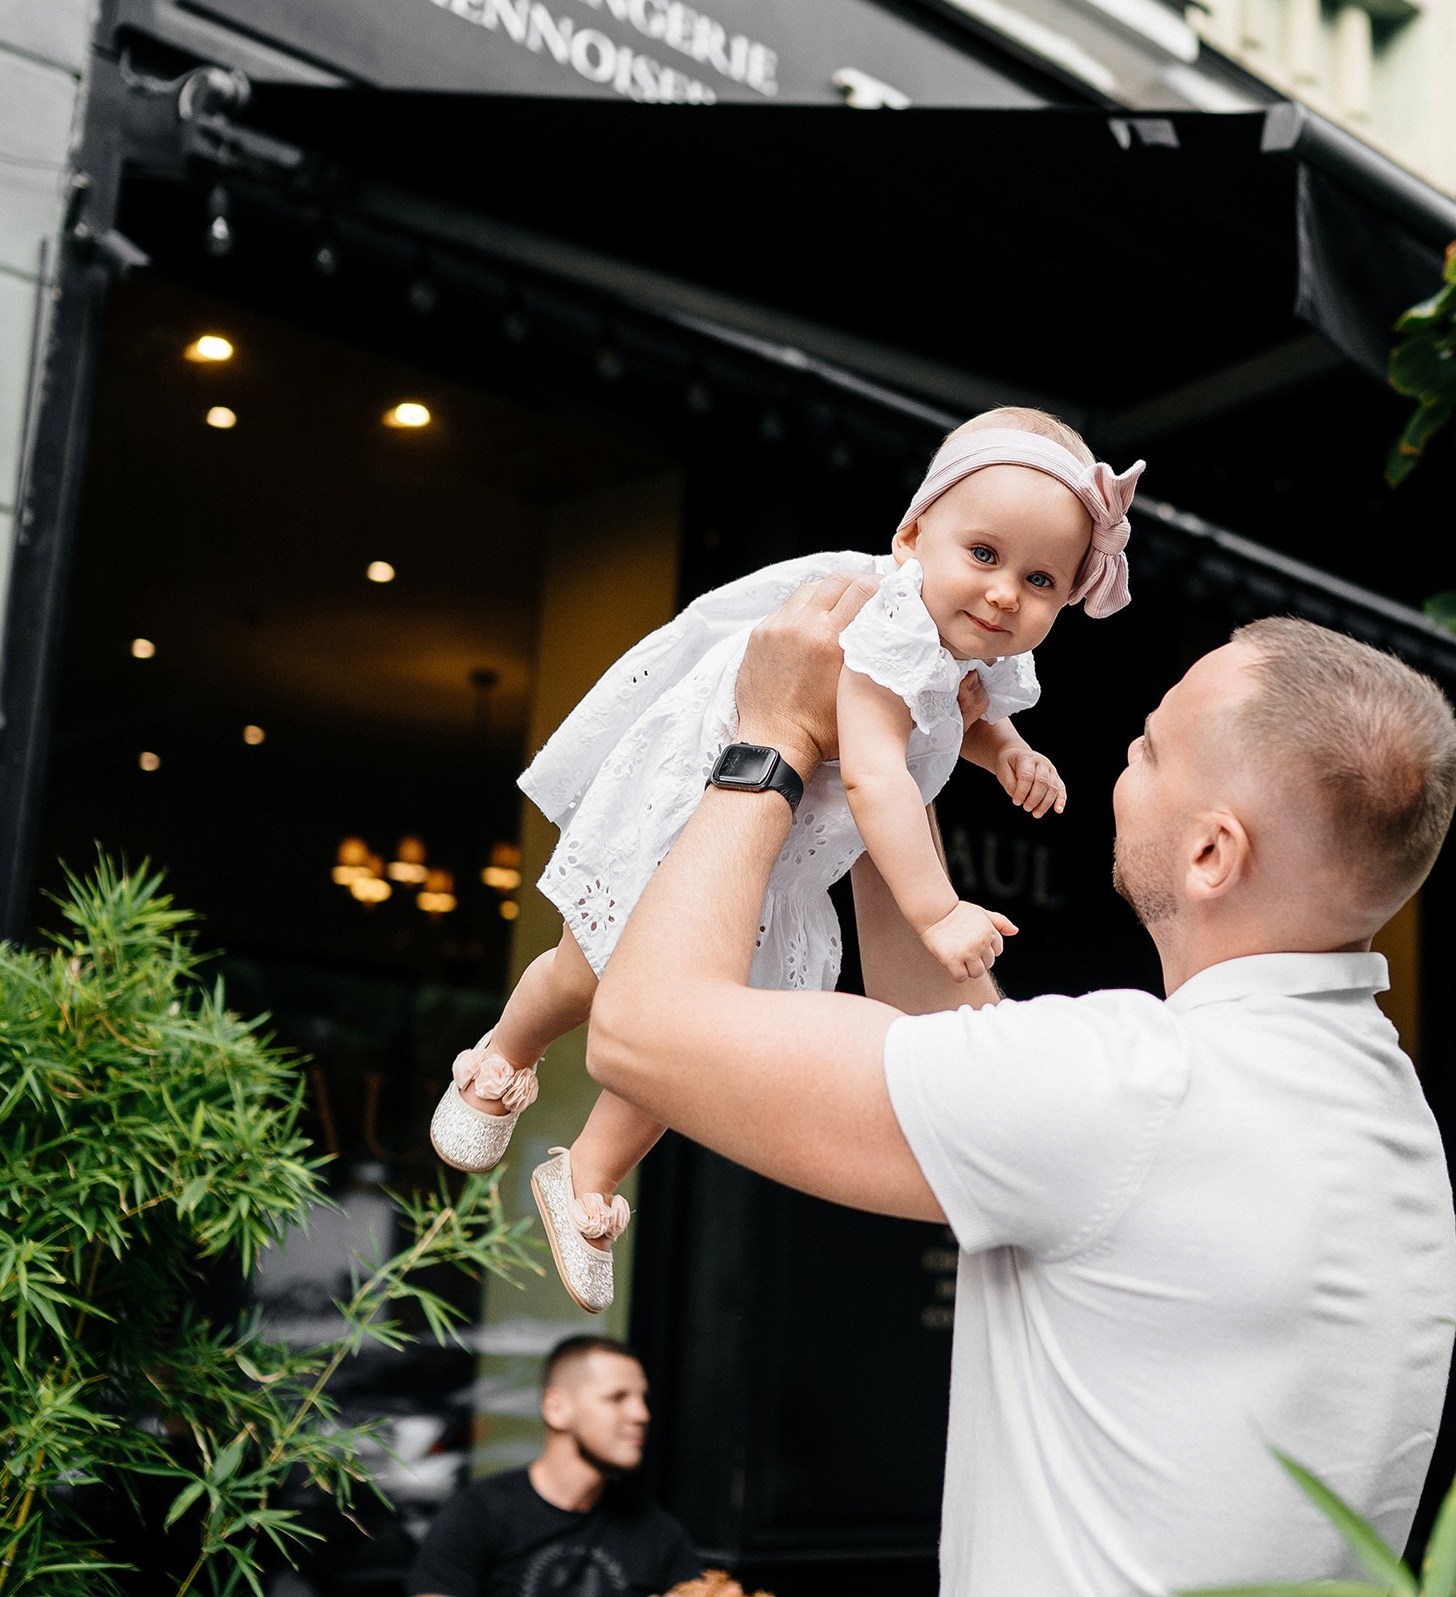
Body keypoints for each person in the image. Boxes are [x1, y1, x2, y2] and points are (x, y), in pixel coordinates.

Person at [580, 579, 1456, 1595]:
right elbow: (975, 1060)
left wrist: (772, 735)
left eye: (1148, 750)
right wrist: (884, 781)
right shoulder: (1375, 1099)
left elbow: (643, 1031)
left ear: (1214, 852)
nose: (1121, 765)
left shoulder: (1142, 1087)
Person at [426, 408, 1143, 1316]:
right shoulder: (884, 631)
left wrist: (1004, 752)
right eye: (986, 555)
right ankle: (503, 1052)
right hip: (702, 811)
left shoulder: (964, 650)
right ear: (912, 536)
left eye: (1041, 579)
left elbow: (960, 709)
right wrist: (935, 910)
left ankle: (590, 1176)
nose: (1005, 594)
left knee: (698, 1033)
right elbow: (882, 776)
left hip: (779, 853)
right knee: (584, 970)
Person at [407, 1335, 702, 1597]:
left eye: (643, 1399)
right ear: (556, 1409)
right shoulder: (477, 1515)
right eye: (617, 1398)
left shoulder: (660, 1534)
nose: (641, 1414)